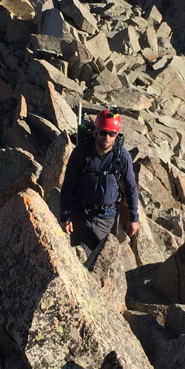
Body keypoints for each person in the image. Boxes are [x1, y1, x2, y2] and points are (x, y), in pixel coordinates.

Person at [60, 108, 140, 262]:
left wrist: (134, 218)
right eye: (103, 132)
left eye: (112, 134)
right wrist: (65, 215)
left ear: (117, 135)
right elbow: (68, 185)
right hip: (81, 216)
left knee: (104, 263)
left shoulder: (122, 157)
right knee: (82, 262)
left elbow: (131, 188)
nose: (107, 137)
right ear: (96, 130)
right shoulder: (81, 152)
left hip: (108, 218)